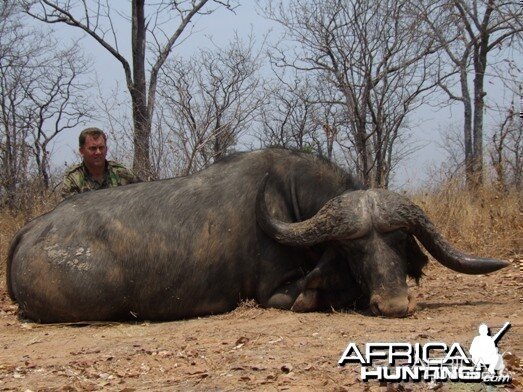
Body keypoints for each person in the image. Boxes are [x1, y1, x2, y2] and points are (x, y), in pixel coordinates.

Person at [60, 127, 141, 199]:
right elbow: (69, 211)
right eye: (93, 148)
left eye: (101, 148)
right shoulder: (73, 178)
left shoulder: (122, 173)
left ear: (106, 149)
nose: (98, 152)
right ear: (81, 151)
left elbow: (143, 194)